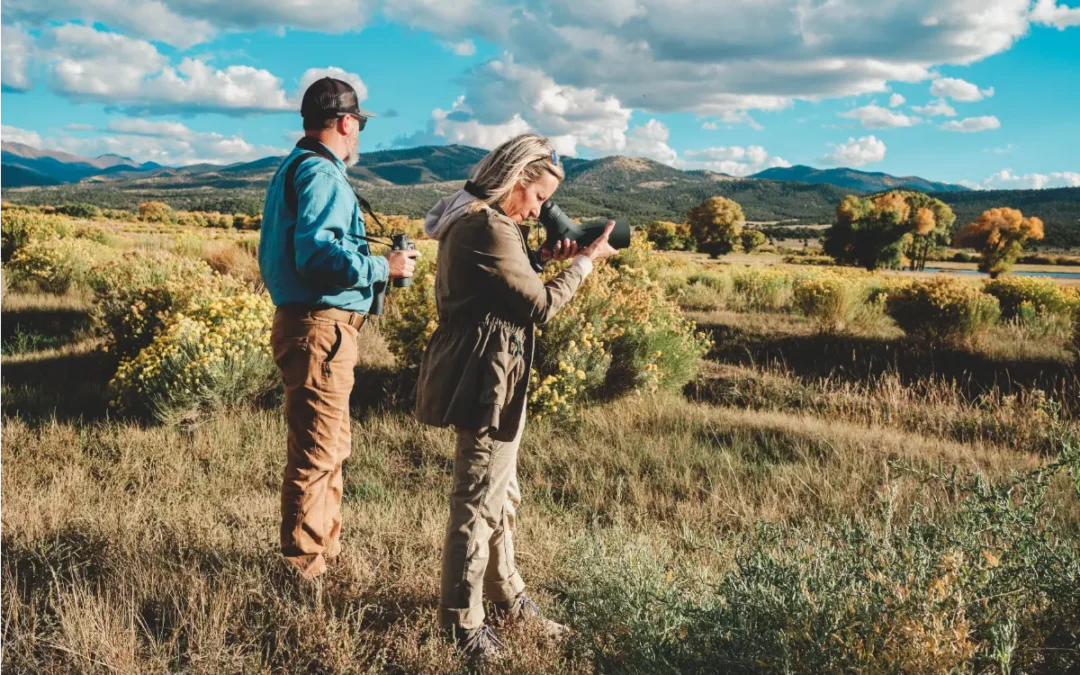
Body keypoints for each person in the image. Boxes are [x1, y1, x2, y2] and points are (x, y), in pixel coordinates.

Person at [414, 133, 618, 660]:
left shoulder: (484, 218)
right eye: (539, 197)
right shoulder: (485, 224)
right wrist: (585, 263)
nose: (541, 209)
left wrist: (541, 256)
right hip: (486, 378)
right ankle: (462, 627)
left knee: (499, 497)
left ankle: (507, 594)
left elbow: (509, 287)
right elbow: (540, 307)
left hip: (497, 373)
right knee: (478, 500)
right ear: (515, 181)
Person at [258, 76, 419, 580]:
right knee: (317, 451)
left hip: (314, 329)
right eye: (358, 127)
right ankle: (304, 571)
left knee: (329, 446)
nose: (358, 137)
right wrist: (383, 268)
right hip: (320, 329)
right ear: (347, 123)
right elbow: (319, 257)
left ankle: (323, 553)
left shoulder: (299, 166)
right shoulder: (322, 175)